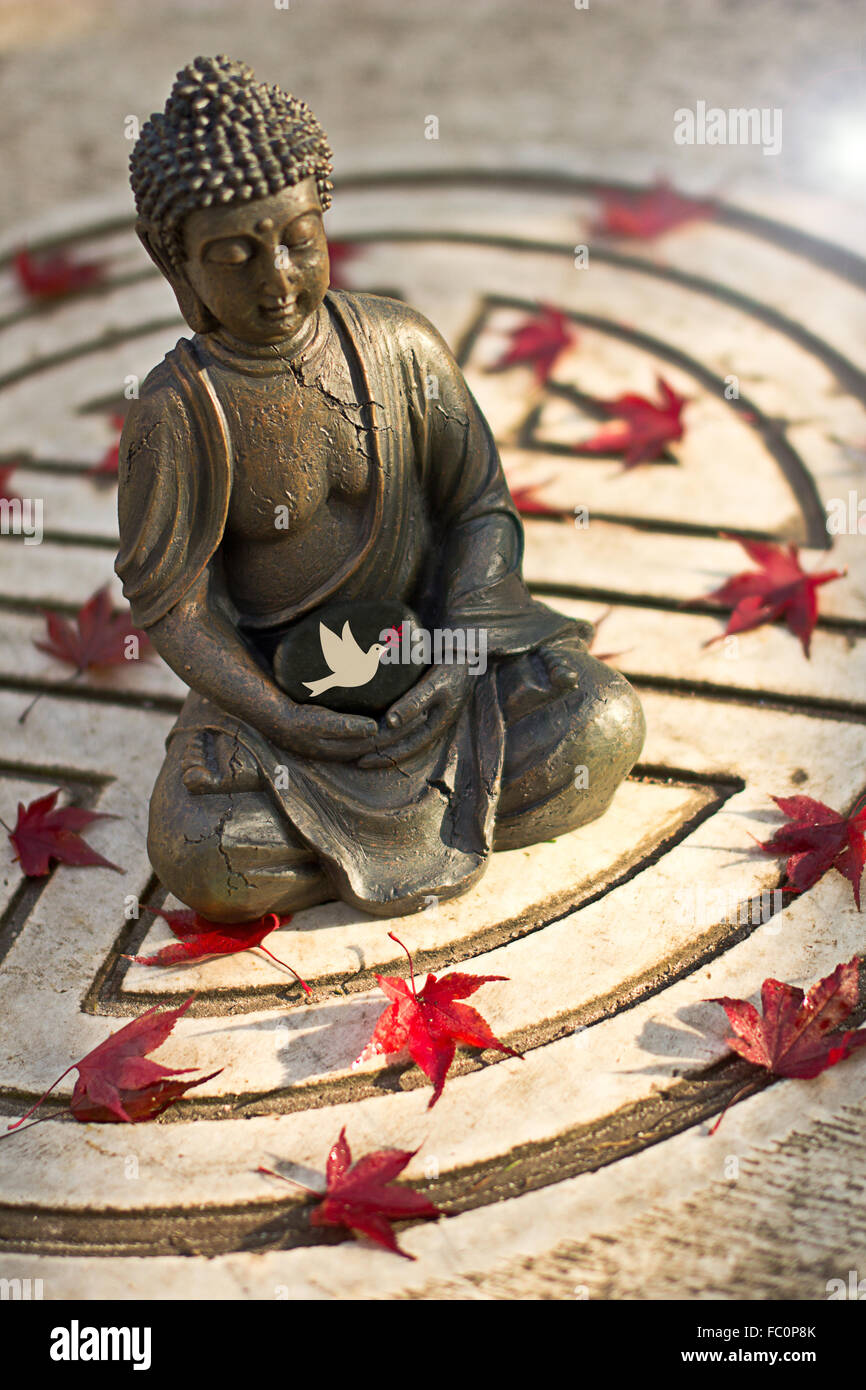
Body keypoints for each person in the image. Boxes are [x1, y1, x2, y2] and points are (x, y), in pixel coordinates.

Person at [116, 56, 645, 921]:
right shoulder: (177, 412)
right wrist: (280, 721)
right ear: (173, 264)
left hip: (439, 664)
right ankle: (438, 813)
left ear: (325, 218)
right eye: (235, 256)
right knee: (201, 850)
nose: (277, 280)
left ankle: (410, 816)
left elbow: (479, 507)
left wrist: (460, 652)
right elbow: (175, 608)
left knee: (600, 718)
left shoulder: (399, 345)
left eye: (297, 240)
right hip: (279, 709)